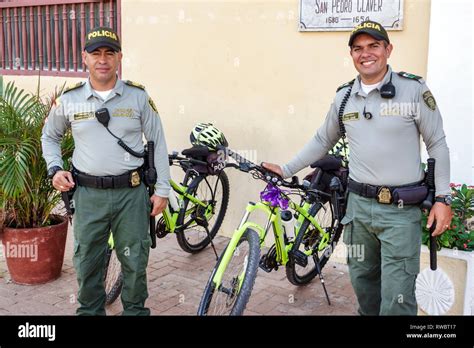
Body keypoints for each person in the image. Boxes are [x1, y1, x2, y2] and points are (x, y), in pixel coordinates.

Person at [263, 20, 452, 315]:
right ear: (352, 54)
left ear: (388, 49)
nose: (366, 54)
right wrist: (286, 169)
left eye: (374, 46)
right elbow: (322, 139)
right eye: (358, 48)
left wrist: (442, 198)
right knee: (363, 285)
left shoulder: (413, 90)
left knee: (397, 297)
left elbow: (437, 143)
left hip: (401, 213)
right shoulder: (344, 97)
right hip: (358, 210)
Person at [41, 26, 170, 315]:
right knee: (87, 260)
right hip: (88, 196)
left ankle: (135, 311)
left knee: (135, 261)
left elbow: (157, 141)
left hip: (131, 195)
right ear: (84, 58)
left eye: (109, 53)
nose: (102, 59)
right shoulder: (70, 100)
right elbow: (49, 137)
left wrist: (163, 189)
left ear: (119, 57)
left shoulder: (138, 96)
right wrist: (55, 169)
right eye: (95, 53)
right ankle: (90, 312)